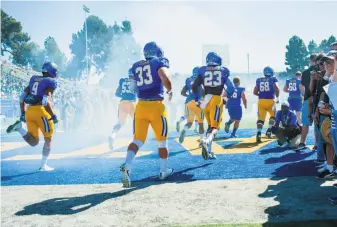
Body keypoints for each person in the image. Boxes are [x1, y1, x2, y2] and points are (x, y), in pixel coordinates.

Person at [120, 42, 173, 188]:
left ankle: (127, 165)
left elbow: (132, 87)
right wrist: (170, 90)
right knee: (162, 141)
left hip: (141, 106)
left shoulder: (136, 65)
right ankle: (163, 171)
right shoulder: (159, 61)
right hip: (156, 106)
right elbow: (163, 76)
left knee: (137, 140)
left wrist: (143, 94)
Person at [6, 61, 58, 171]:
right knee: (48, 139)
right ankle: (43, 166)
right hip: (42, 112)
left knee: (34, 142)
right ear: (52, 71)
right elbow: (45, 101)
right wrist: (53, 115)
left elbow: (21, 97)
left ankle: (20, 129)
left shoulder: (34, 79)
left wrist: (23, 112)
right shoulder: (50, 82)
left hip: (30, 111)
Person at [192, 52, 234, 160]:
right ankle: (206, 141)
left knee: (210, 126)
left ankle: (209, 151)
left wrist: (197, 99)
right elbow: (231, 87)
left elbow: (194, 85)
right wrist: (226, 97)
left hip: (206, 100)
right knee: (215, 128)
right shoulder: (223, 70)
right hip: (216, 99)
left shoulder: (202, 70)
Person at [108, 69, 137, 151]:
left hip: (122, 103)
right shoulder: (136, 82)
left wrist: (124, 94)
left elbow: (117, 93)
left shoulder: (123, 81)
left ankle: (112, 135)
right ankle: (135, 140)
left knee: (120, 122)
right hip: (132, 103)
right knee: (137, 121)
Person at [295, 54, 317, 151]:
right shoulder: (321, 70)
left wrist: (305, 94)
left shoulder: (305, 72)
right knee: (318, 123)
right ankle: (317, 144)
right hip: (318, 99)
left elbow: (301, 86)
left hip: (308, 99)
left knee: (305, 123)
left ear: (310, 60)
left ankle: (302, 142)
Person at [253, 66, 280, 143]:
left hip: (261, 101)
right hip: (270, 100)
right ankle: (269, 130)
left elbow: (254, 92)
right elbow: (277, 88)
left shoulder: (258, 80)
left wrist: (262, 95)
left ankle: (258, 133)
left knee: (260, 119)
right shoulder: (273, 79)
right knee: (273, 116)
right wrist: (277, 98)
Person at [179, 67, 204, 143]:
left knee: (189, 122)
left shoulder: (188, 80)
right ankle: (202, 140)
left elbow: (182, 92)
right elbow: (202, 91)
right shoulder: (201, 80)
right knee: (200, 123)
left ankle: (184, 129)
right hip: (198, 103)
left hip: (189, 102)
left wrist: (189, 97)